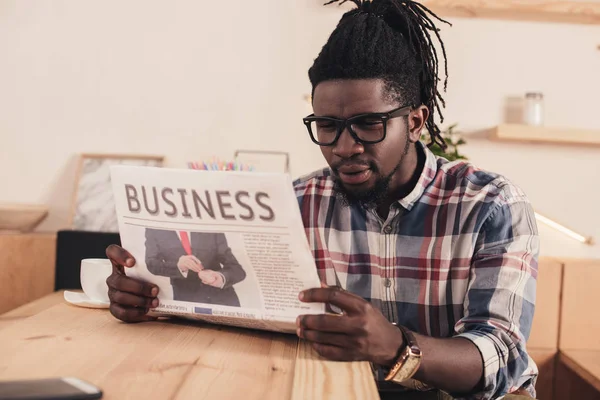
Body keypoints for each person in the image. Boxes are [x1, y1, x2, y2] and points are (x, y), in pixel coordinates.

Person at [105, 1, 538, 398]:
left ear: (416, 120)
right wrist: (152, 301)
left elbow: (500, 356)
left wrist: (396, 347)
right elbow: (241, 307)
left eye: (368, 124)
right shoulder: (294, 204)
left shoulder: (491, 206)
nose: (343, 147)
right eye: (327, 125)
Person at [144, 228, 246, 307]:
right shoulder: (155, 230)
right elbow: (152, 263)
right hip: (187, 301)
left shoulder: (208, 225)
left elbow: (237, 269)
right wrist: (178, 266)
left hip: (224, 301)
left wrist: (220, 277)